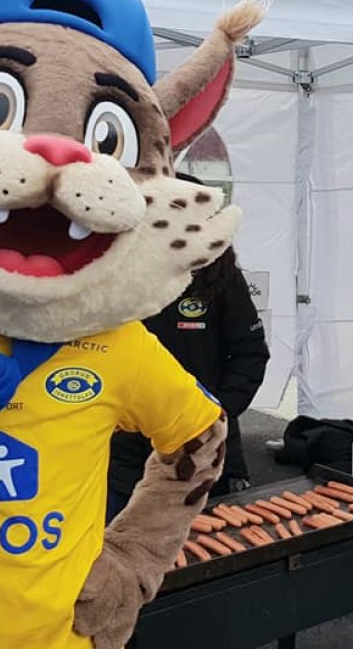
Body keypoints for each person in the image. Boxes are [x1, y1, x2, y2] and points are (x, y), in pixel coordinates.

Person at [107, 178, 270, 522]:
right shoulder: (116, 274)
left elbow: (250, 352)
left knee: (211, 544)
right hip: (126, 452)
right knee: (121, 540)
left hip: (204, 448)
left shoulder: (220, 275)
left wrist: (217, 413)